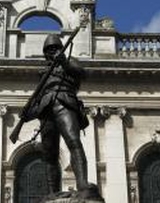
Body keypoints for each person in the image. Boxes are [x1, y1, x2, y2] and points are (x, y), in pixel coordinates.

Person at [28, 33, 99, 199]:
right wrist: (29, 114)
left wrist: (64, 62)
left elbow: (82, 74)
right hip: (46, 110)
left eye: (55, 48)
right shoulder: (43, 72)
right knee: (50, 154)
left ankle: (82, 184)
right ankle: (52, 192)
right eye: (49, 49)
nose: (52, 52)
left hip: (64, 103)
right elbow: (38, 97)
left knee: (73, 141)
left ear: (61, 49)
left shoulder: (69, 62)